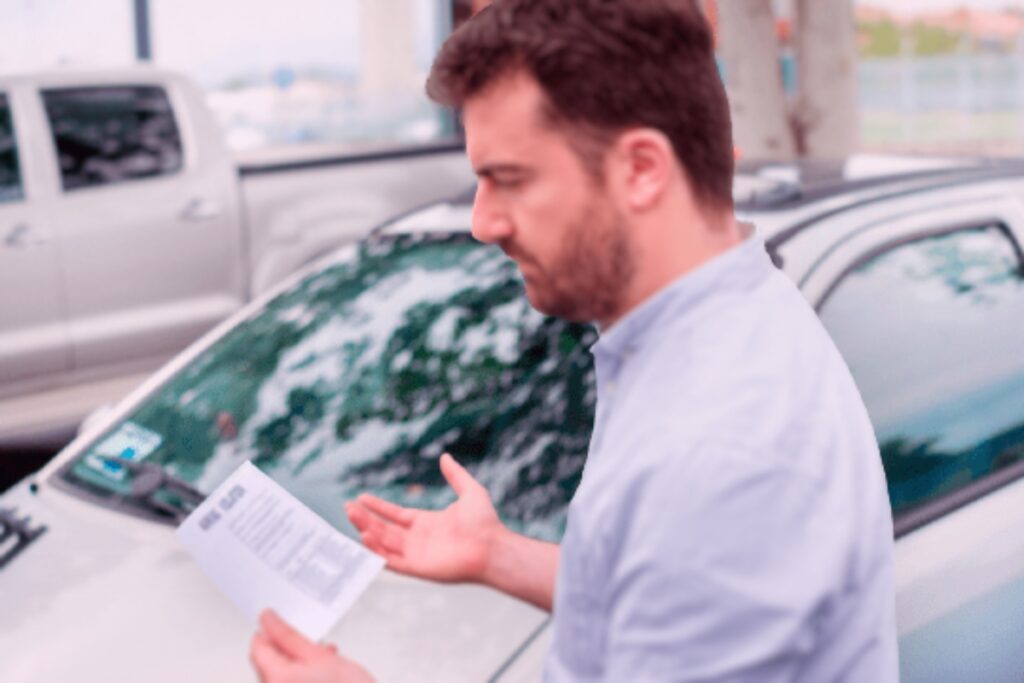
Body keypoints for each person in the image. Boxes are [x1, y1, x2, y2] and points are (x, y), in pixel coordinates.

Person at [249, 1, 898, 681]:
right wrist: (498, 554)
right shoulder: (725, 320)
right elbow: (662, 598)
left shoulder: (718, 452)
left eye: (508, 178)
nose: (483, 222)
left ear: (642, 168)